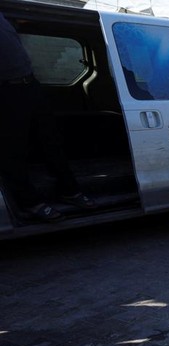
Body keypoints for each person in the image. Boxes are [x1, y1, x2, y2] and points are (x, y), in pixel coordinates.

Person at [0, 12, 95, 222]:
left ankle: (69, 190)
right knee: (13, 150)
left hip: (29, 84)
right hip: (6, 91)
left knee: (51, 140)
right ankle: (30, 202)